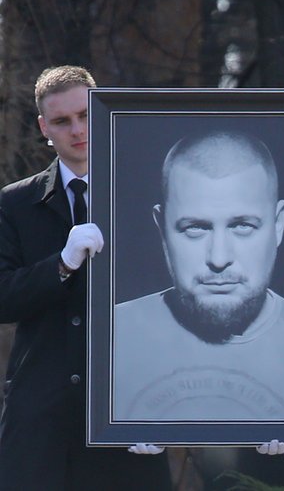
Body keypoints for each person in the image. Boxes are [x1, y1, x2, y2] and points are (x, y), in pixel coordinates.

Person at [0, 66, 171, 489]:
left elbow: (175, 298)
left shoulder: (150, 195)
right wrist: (61, 264)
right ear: (44, 127)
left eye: (85, 115)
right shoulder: (16, 203)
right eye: (61, 121)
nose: (77, 130)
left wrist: (164, 411)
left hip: (128, 412)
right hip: (41, 417)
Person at [113, 130, 284, 421]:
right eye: (195, 228)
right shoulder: (111, 340)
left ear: (279, 225)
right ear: (161, 227)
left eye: (242, 226)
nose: (219, 258)